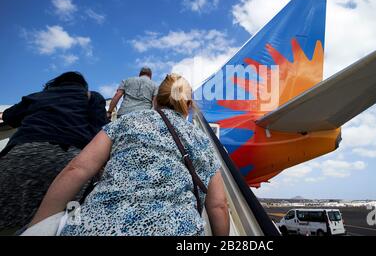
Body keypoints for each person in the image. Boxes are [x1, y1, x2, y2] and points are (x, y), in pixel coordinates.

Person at [29, 73, 229, 236]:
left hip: (96, 227)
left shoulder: (125, 122)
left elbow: (77, 169)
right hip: (179, 230)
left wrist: (38, 227)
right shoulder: (202, 140)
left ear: (156, 101)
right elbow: (218, 205)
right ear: (189, 105)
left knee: (73, 211)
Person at [0, 71, 107, 232]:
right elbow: (99, 130)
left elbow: (9, 117)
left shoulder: (38, 96)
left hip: (18, 158)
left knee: (8, 217)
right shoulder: (92, 97)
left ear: (56, 83)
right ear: (83, 86)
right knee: (70, 222)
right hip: (69, 165)